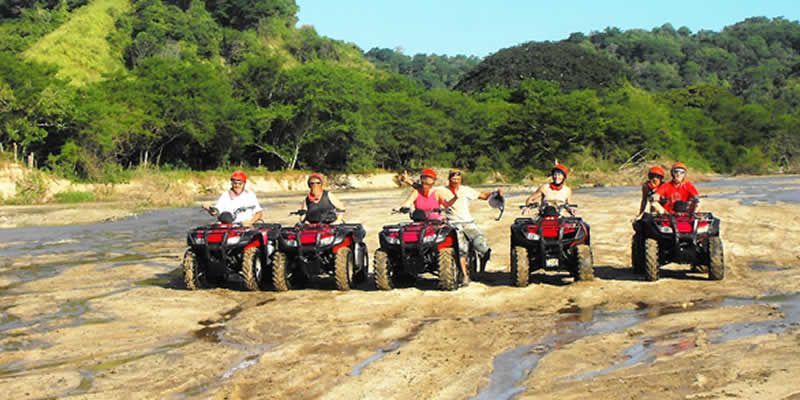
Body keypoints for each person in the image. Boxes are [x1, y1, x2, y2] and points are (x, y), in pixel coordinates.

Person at [442, 169, 502, 279]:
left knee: (483, 247)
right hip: (453, 224)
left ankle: (482, 270)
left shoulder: (465, 190)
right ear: (449, 179)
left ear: (461, 180)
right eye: (453, 179)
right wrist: (410, 182)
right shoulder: (442, 190)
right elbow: (424, 188)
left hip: (468, 223)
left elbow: (483, 196)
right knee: (461, 250)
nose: (456, 181)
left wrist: (495, 193)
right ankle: (465, 276)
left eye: (458, 179)